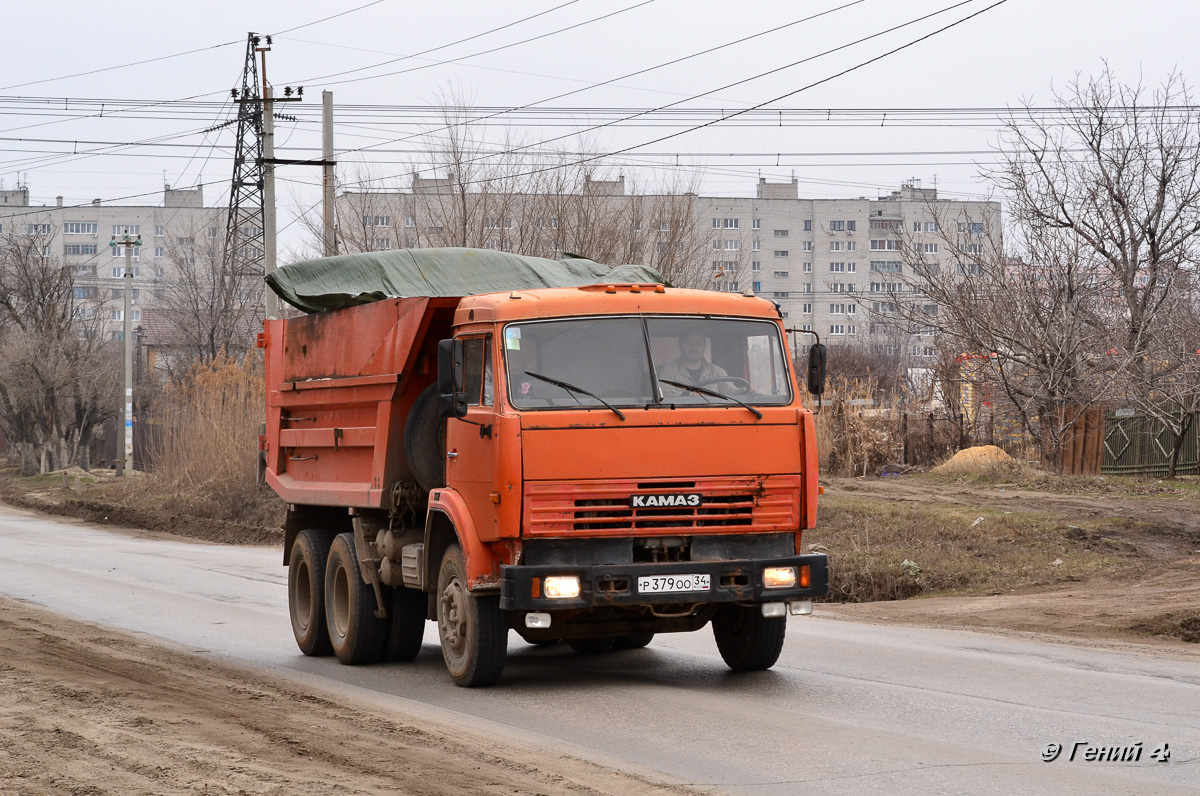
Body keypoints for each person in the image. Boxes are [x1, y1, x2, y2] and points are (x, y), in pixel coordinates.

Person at [657, 330, 732, 396]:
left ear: (704, 346)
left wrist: (743, 391)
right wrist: (686, 395)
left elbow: (730, 391)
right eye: (688, 343)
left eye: (698, 343)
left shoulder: (717, 371)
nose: (694, 348)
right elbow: (663, 393)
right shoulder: (668, 372)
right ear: (680, 346)